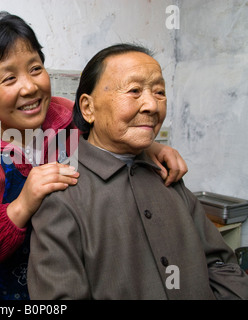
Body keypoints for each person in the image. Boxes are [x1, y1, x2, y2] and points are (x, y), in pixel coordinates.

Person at [0, 12, 188, 300]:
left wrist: (151, 148)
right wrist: (21, 206)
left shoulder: (66, 116)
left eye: (36, 69)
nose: (30, 87)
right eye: (9, 78)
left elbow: (110, 133)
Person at [27, 43, 248, 300]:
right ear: (88, 108)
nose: (152, 105)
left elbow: (221, 265)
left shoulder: (167, 175)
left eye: (159, 92)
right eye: (134, 91)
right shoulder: (63, 193)